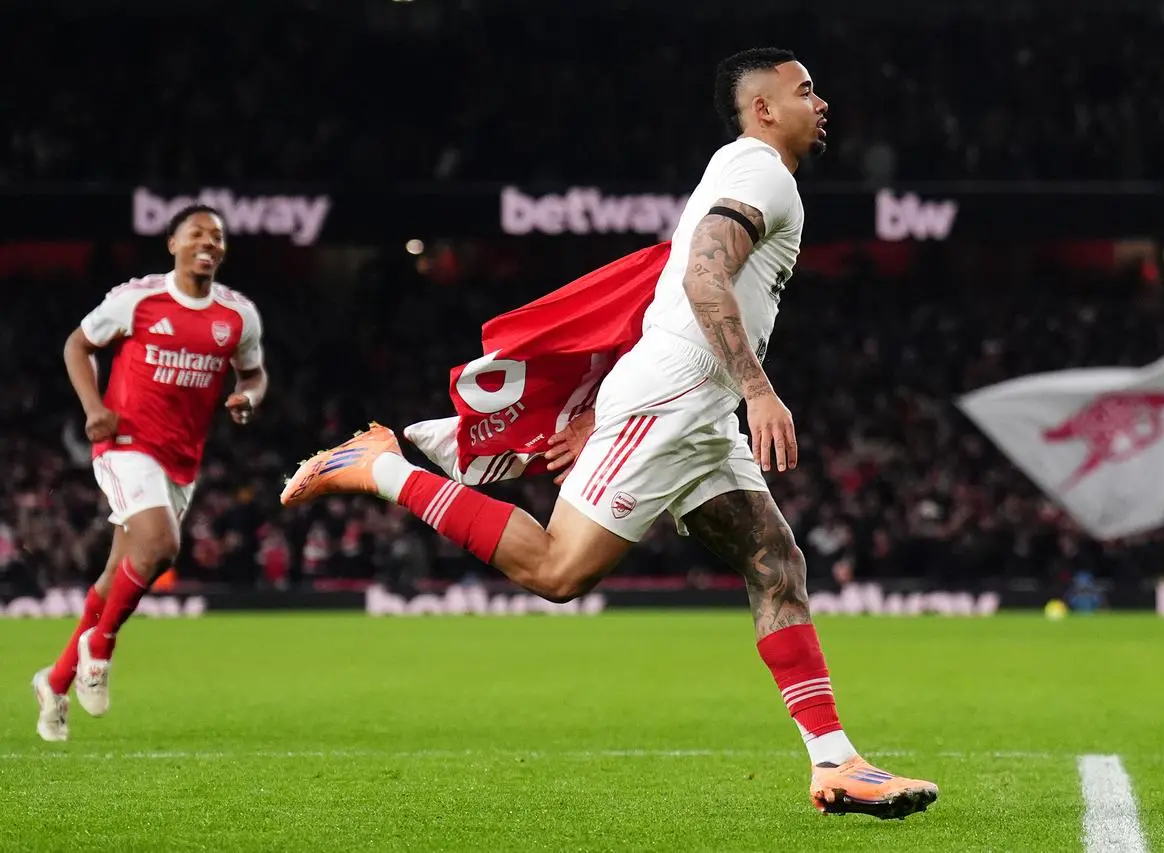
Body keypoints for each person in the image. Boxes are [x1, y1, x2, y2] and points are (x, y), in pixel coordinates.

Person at [280, 48, 937, 819]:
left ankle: (835, 763)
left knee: (775, 558)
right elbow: (700, 278)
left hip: (696, 404)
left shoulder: (748, 171)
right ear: (763, 108)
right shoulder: (761, 173)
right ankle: (379, 465)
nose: (821, 102)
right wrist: (758, 389)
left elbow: (673, 285)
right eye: (806, 90)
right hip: (680, 395)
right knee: (561, 571)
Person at [32, 205, 268, 742]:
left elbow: (253, 374)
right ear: (173, 244)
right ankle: (102, 646)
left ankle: (56, 680)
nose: (208, 241)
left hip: (181, 461)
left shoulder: (237, 316)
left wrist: (248, 399)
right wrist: (94, 408)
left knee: (118, 575)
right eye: (196, 233)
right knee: (161, 545)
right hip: (125, 444)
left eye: (217, 235)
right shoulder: (137, 300)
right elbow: (77, 344)